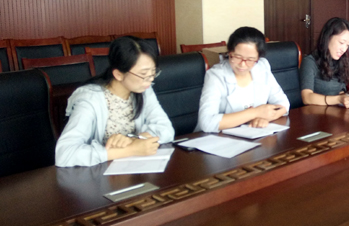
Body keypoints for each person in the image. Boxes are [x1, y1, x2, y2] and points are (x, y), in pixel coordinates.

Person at [55, 36, 174, 167]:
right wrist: (130, 150)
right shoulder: (90, 100)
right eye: (143, 74)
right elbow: (64, 154)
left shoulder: (144, 89)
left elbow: (166, 129)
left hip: (133, 169)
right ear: (118, 74)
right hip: (97, 175)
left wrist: (135, 140)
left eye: (153, 73)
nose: (150, 79)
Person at [197, 26, 289, 132]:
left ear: (258, 58)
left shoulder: (262, 67)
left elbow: (283, 103)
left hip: (253, 133)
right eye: (237, 57)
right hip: (218, 137)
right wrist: (255, 113)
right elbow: (207, 123)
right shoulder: (216, 75)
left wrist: (264, 118)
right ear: (229, 52)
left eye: (250, 59)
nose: (243, 64)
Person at [301, 17, 349, 108]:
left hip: (336, 110)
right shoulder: (310, 61)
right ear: (328, 37)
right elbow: (306, 97)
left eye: (347, 45)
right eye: (341, 43)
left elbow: (340, 92)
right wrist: (338, 99)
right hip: (317, 113)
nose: (344, 49)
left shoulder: (342, 60)